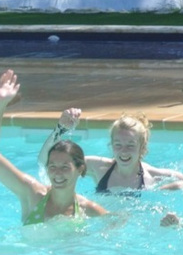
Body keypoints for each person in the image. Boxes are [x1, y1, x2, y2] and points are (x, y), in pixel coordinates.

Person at [0, 70, 107, 225]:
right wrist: (2, 104)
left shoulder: (88, 209)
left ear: (80, 169)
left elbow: (120, 221)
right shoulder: (32, 194)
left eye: (65, 167)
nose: (57, 173)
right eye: (52, 166)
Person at [38, 110, 183, 193]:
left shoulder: (153, 177)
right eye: (118, 144)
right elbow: (46, 161)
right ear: (111, 145)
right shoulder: (98, 168)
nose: (123, 151)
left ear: (142, 147)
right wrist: (60, 129)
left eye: (130, 145)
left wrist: (174, 186)